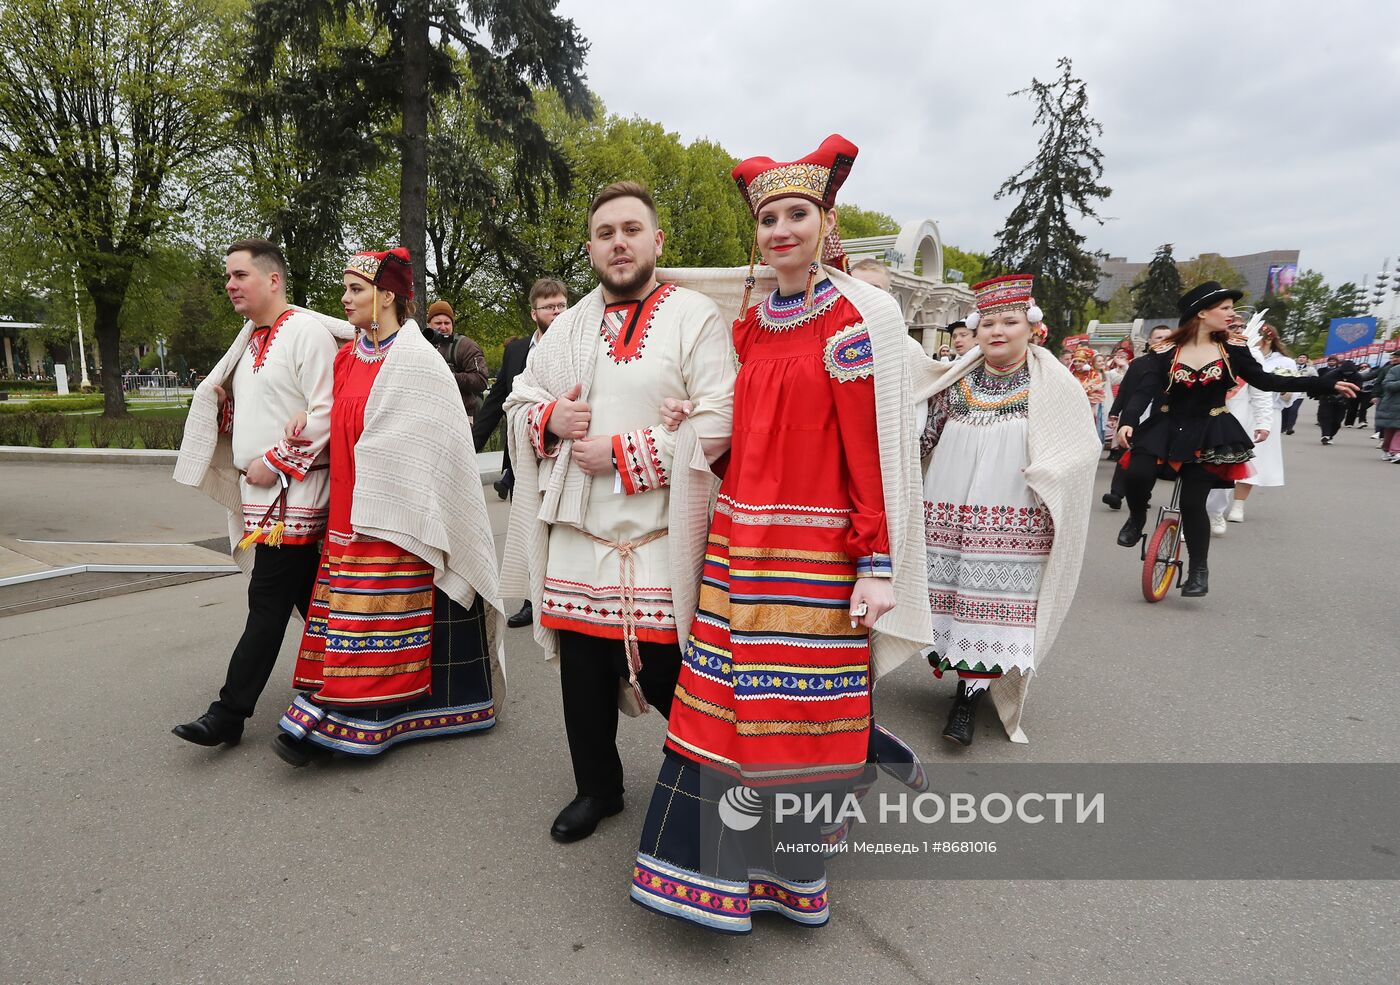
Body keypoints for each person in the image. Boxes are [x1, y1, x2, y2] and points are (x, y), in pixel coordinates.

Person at [628, 135, 933, 935]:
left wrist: (876, 562)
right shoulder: (754, 324)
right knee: (724, 705)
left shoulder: (851, 322)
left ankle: (790, 877)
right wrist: (695, 422)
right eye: (768, 218)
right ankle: (710, 875)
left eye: (797, 213)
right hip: (739, 542)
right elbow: (745, 428)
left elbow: (866, 454)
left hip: (817, 551)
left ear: (823, 220)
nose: (780, 230)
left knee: (796, 715)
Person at [499, 182, 736, 843]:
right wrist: (550, 417)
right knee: (583, 677)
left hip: (662, 538)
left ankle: (711, 779)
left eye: (632, 229)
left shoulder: (695, 316)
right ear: (590, 248)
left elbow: (723, 414)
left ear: (657, 241)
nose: (619, 242)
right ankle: (597, 788)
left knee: (675, 675)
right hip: (581, 539)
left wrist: (625, 450)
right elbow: (520, 402)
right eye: (606, 233)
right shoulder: (567, 327)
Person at [269, 247, 505, 766]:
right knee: (347, 619)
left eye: (355, 289)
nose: (345, 298)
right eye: (346, 288)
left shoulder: (420, 363)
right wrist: (301, 427)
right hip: (347, 512)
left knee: (374, 620)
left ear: (387, 297)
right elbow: (331, 421)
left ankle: (359, 718)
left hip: (398, 514)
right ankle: (328, 708)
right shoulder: (346, 357)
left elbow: (441, 445)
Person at [171, 239, 348, 749]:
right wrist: (225, 409)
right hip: (264, 497)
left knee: (266, 601)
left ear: (273, 280)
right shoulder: (248, 342)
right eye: (228, 276)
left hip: (294, 494)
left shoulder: (306, 332)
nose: (230, 284)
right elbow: (267, 408)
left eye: (240, 275)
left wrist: (274, 462)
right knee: (311, 600)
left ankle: (229, 712)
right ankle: (349, 680)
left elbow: (327, 412)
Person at [918, 275, 1099, 747]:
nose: (998, 331)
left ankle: (968, 698)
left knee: (990, 601)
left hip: (1013, 510)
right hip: (948, 505)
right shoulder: (954, 378)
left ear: (1031, 328)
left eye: (1009, 321)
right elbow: (925, 435)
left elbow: (1081, 448)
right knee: (944, 593)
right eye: (989, 322)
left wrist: (1050, 474)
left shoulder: (1053, 384)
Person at [1115, 282, 1357, 597]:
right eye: (1225, 308)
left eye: (1232, 308)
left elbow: (1267, 380)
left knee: (1192, 503)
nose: (1232, 314)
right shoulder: (1165, 351)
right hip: (1166, 425)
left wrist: (1323, 383)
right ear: (1201, 312)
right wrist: (1128, 422)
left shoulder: (1235, 347)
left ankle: (1199, 571)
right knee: (1136, 473)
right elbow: (1143, 392)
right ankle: (1137, 516)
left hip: (1211, 429)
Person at [473, 277, 570, 629]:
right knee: (529, 528)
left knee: (561, 532)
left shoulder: (579, 345)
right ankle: (532, 601)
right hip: (524, 462)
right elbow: (497, 401)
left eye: (561, 305)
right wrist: (469, 448)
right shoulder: (516, 352)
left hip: (564, 458)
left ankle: (564, 599)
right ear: (534, 313)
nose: (557, 312)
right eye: (549, 307)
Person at [1207, 323, 1295, 531]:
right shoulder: (1204, 347)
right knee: (1195, 470)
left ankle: (1216, 512)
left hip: (1235, 419)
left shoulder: (1252, 355)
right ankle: (1190, 518)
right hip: (1200, 418)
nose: (1235, 330)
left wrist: (1264, 421)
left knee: (1225, 467)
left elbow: (1261, 392)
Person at [1101, 325, 1175, 510]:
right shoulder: (1139, 364)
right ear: (1150, 341)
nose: (1163, 341)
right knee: (1126, 453)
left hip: (1158, 418)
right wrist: (1114, 412)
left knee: (1148, 459)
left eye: (1167, 337)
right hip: (1133, 416)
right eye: (1158, 337)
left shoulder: (1176, 365)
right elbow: (1125, 390)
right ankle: (1116, 493)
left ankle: (1143, 495)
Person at [424, 299, 489, 418]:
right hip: (430, 414)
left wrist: (451, 376)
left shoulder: (466, 346)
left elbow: (481, 381)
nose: (443, 327)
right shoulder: (421, 346)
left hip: (462, 416)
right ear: (429, 324)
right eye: (438, 323)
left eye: (447, 323)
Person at [1315, 357, 1358, 445]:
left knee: (1337, 421)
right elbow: (1323, 384)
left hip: (1344, 400)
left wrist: (1342, 396)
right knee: (1326, 417)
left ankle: (1330, 435)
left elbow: (1357, 389)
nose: (1347, 374)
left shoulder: (1357, 376)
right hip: (1328, 398)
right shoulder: (1333, 373)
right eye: (1345, 372)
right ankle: (1325, 435)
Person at [1281, 352, 1316, 434]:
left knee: (1293, 410)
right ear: (1297, 358)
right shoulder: (1290, 367)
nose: (1302, 359)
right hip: (1288, 392)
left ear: (1307, 360)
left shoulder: (1310, 369)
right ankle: (1283, 427)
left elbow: (1315, 379)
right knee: (1285, 410)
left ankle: (1290, 428)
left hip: (1300, 394)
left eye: (1304, 357)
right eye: (1300, 357)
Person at [1374, 350, 1400, 461]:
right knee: (1390, 429)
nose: (1394, 359)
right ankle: (1387, 450)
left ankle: (1395, 451)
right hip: (1393, 404)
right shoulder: (1394, 370)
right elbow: (1387, 385)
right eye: (1393, 357)